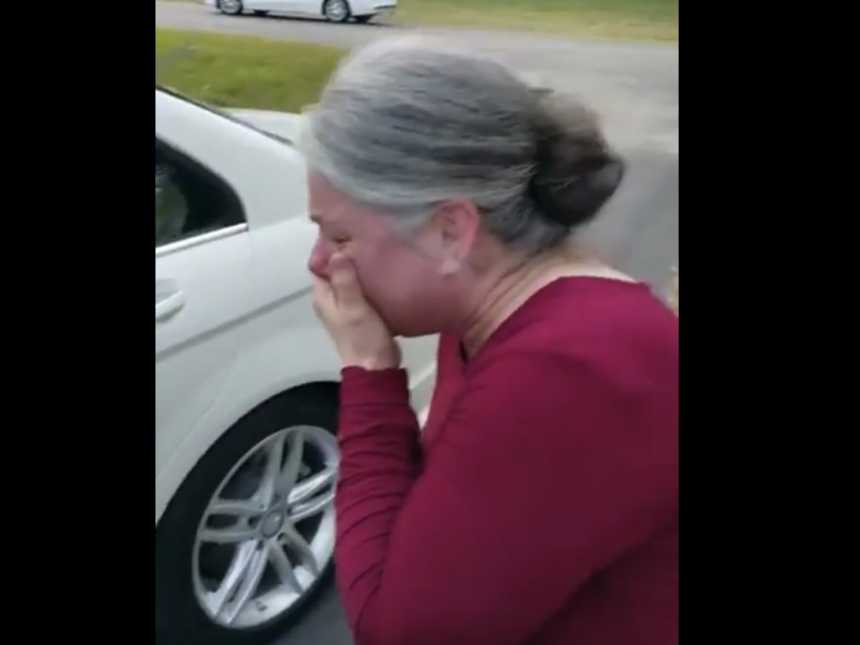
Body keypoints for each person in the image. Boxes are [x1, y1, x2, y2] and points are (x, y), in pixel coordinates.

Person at [301, 36, 678, 645]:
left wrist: (369, 373)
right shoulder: (492, 320)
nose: (320, 264)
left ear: (451, 230)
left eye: (339, 237)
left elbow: (396, 629)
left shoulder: (573, 370)